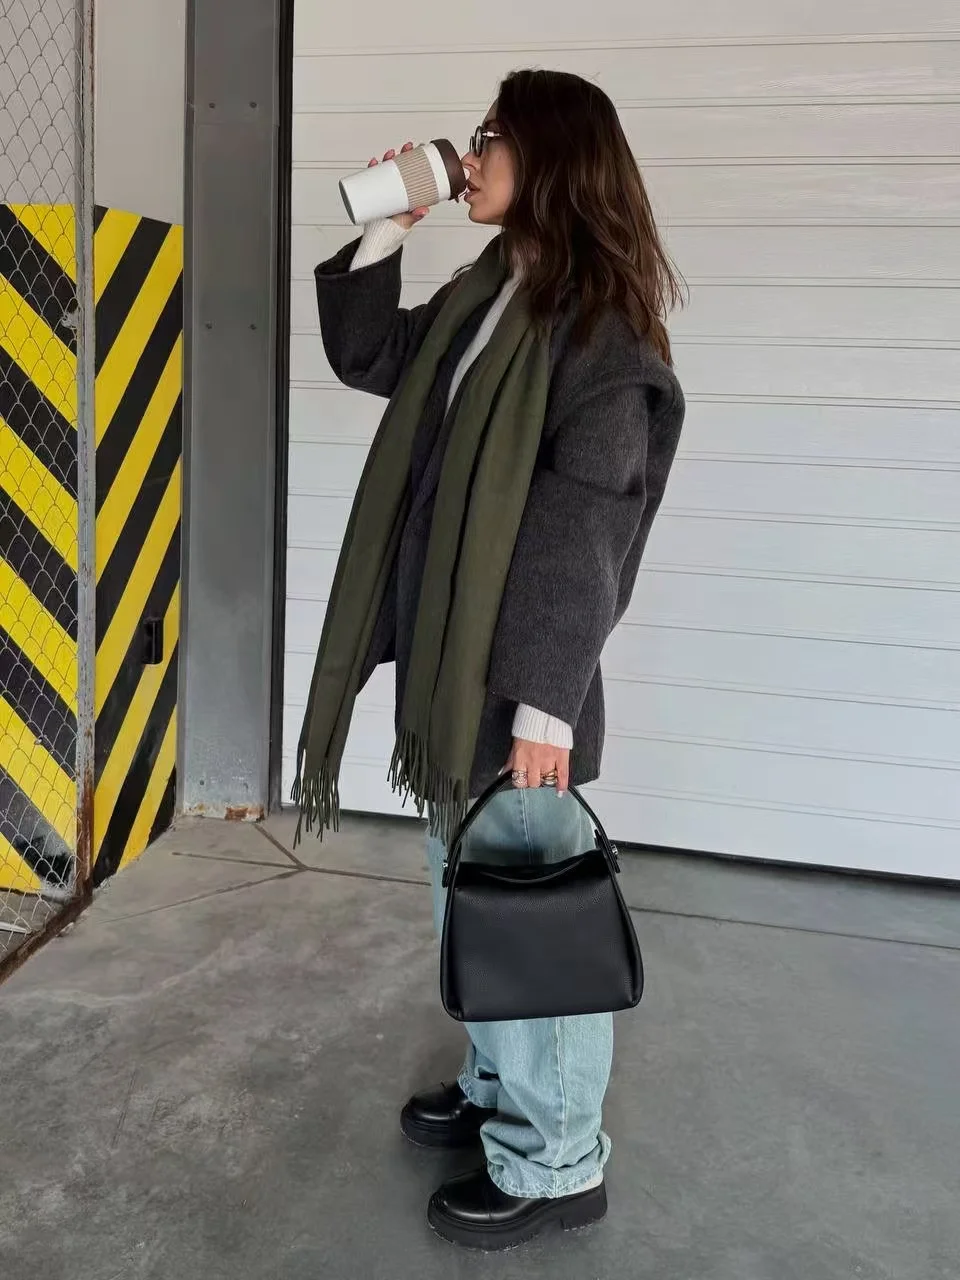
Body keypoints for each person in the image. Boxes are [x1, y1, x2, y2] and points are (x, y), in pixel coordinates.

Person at [294, 69, 685, 1250]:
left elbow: (585, 531)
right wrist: (386, 226)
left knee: (533, 929)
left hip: (519, 689)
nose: (470, 157)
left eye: (491, 140)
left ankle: (556, 1160)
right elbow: (374, 355)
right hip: (455, 674)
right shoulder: (491, 292)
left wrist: (543, 711)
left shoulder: (599, 335)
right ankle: (496, 1084)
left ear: (549, 161)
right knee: (475, 902)